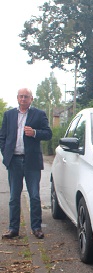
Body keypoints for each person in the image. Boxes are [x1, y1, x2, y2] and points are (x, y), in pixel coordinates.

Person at [0, 88, 52, 239]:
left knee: (34, 196)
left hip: (32, 162)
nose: (23, 99)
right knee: (14, 197)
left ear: (31, 99)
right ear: (17, 98)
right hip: (14, 161)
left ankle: (36, 228)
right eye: (21, 96)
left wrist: (35, 133)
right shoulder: (9, 115)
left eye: (26, 97)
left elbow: (48, 134)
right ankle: (13, 229)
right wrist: (6, 155)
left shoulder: (39, 114)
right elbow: (2, 136)